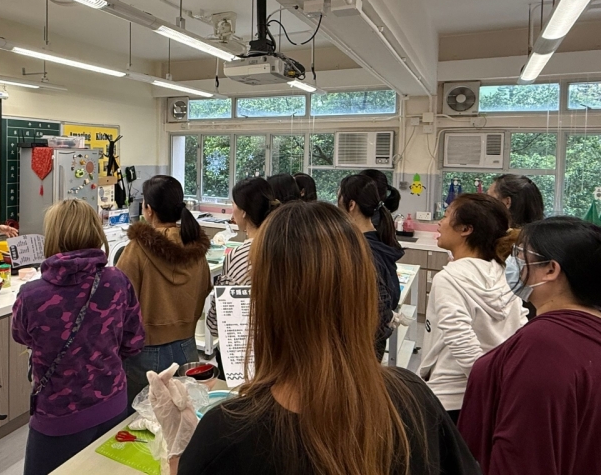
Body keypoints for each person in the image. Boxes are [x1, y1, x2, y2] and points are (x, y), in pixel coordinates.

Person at [157, 201, 481, 475]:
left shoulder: (227, 432)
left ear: (266, 301)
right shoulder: (414, 399)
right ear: (362, 290)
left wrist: (180, 450)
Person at [12, 199, 145, 475]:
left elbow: (21, 336)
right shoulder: (117, 280)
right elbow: (134, 341)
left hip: (59, 415)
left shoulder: (32, 294)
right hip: (112, 401)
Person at [459, 217, 601, 475]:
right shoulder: (586, 331)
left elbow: (522, 453)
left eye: (521, 256)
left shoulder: (543, 345)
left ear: (551, 269)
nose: (512, 264)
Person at [418, 193, 527, 424]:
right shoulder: (503, 272)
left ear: (466, 229)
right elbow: (521, 332)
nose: (440, 222)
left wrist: (485, 386)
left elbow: (461, 341)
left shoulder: (449, 278)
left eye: (447, 215)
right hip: (490, 396)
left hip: (450, 398)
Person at [116, 175, 211, 405]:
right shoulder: (196, 248)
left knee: (140, 419)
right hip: (187, 347)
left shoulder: (137, 248)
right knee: (183, 415)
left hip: (145, 351)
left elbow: (119, 298)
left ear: (148, 209)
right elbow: (205, 289)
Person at [206, 178, 278, 375]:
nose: (232, 211)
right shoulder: (284, 247)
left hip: (246, 354)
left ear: (244, 211)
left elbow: (218, 321)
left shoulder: (241, 255)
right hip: (279, 348)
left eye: (233, 205)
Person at [338, 174, 405, 360]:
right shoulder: (378, 240)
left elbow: (376, 308)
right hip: (370, 344)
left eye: (339, 198)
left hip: (359, 346)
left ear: (351, 205)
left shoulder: (361, 251)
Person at [488, 174, 545, 317]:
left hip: (510, 315)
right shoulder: (543, 238)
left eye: (489, 198)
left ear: (507, 202)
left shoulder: (506, 241)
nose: (485, 204)